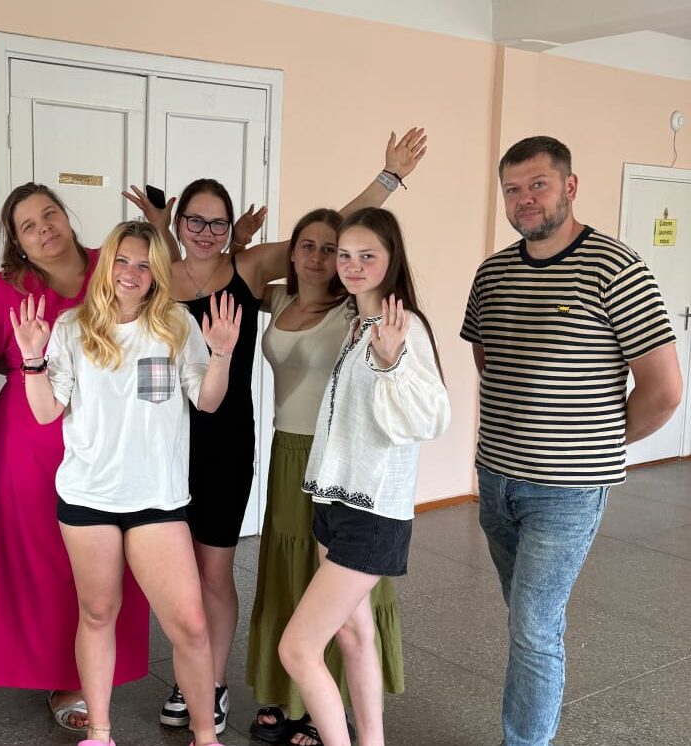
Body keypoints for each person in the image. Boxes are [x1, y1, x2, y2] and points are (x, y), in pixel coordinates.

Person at [125, 129, 427, 733]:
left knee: (216, 573)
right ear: (179, 223)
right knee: (176, 572)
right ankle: (200, 674)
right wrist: (158, 230)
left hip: (226, 443)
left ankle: (213, 687)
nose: (206, 231)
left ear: (232, 230)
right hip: (162, 444)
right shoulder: (157, 273)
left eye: (218, 223)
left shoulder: (249, 268)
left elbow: (328, 235)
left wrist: (389, 179)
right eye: (194, 220)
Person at [460, 136, 683, 746]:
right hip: (496, 479)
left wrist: (596, 441)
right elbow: (488, 359)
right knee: (526, 617)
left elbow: (664, 391)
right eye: (513, 189)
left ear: (570, 186)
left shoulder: (616, 267)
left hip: (567, 490)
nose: (524, 199)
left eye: (538, 184)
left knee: (533, 626)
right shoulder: (493, 272)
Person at [10, 220, 241, 746]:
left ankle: (206, 737)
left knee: (191, 626)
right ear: (107, 264)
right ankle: (100, 732)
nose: (131, 273)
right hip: (88, 497)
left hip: (156, 499)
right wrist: (31, 359)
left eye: (144, 264)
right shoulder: (71, 327)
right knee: (97, 614)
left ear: (157, 273)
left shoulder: (176, 324)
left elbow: (207, 401)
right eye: (122, 260)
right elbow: (46, 412)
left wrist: (223, 354)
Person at [0, 183, 150, 732]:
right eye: (27, 225)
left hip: (109, 435)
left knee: (108, 554)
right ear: (17, 242)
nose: (43, 228)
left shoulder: (113, 266)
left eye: (49, 214)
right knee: (46, 556)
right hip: (31, 438)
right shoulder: (3, 291)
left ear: (66, 216)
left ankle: (100, 664)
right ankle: (61, 677)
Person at [279, 207, 450, 746]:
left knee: (298, 649)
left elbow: (431, 418)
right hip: (335, 501)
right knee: (353, 634)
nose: (351, 266)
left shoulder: (403, 328)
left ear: (391, 259)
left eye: (366, 256)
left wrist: (392, 362)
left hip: (371, 510)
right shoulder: (357, 323)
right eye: (344, 255)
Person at [247, 209, 404, 746]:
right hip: (286, 450)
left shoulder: (354, 309)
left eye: (329, 248)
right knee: (288, 569)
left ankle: (325, 707)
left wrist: (386, 180)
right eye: (307, 246)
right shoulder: (278, 300)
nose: (318, 257)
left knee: (334, 582)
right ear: (290, 253)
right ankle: (288, 694)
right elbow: (223, 270)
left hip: (333, 455)